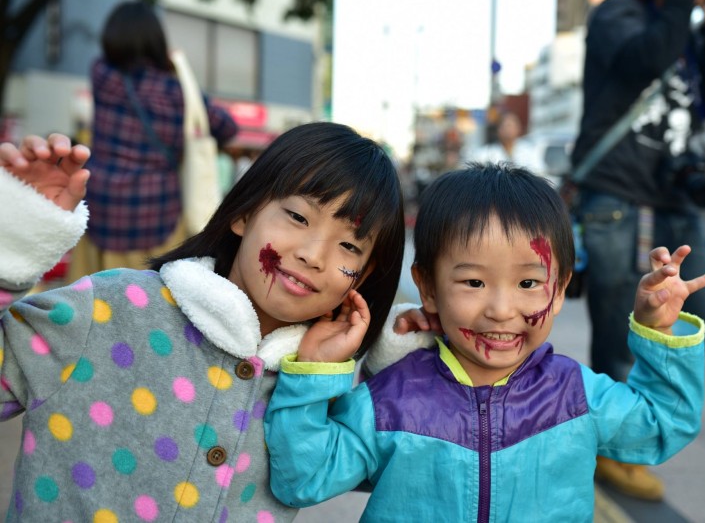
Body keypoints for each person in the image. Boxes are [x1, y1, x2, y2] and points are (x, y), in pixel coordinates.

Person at [265, 163, 705, 521]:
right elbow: (303, 477)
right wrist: (312, 374)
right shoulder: (391, 402)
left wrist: (658, 330)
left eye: (528, 283)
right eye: (474, 282)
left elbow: (663, 425)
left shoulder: (576, 397)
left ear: (558, 291)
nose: (501, 309)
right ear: (427, 288)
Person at [0, 122, 406, 522]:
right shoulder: (110, 308)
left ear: (364, 276)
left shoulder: (322, 384)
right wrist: (12, 244)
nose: (314, 255)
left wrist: (415, 367)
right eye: (299, 217)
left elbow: (402, 458)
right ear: (244, 213)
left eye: (349, 245)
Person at [570, 0, 705, 499]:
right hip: (618, 190)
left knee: (700, 319)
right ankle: (611, 448)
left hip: (673, 198)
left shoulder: (685, 29)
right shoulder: (616, 14)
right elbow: (647, 58)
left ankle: (627, 423)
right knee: (619, 318)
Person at [66, 0, 238, 282]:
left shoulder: (102, 75)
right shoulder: (176, 89)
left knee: (91, 294)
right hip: (156, 215)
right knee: (149, 297)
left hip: (103, 211)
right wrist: (180, 71)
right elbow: (227, 127)